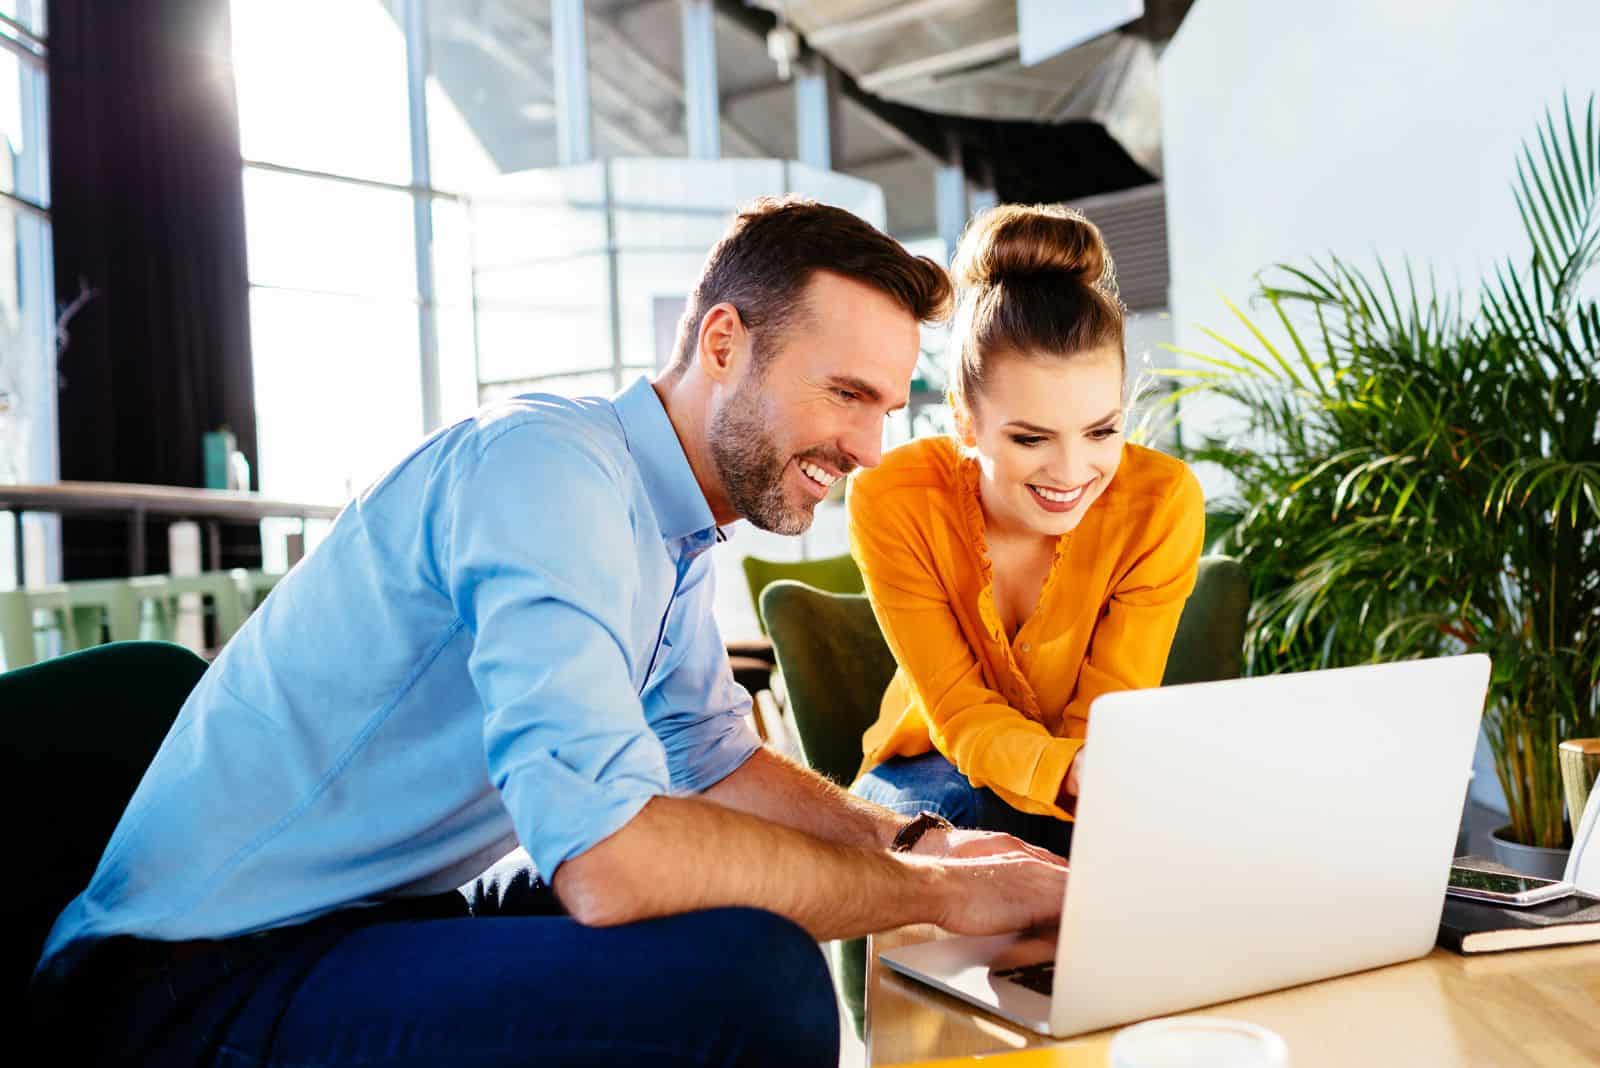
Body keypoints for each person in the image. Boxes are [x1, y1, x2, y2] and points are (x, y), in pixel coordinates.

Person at [30, 198, 1071, 1067]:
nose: (867, 447)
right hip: (188, 983)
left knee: (742, 920)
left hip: (373, 914)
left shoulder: (669, 527)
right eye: (845, 394)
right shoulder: (546, 472)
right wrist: (936, 896)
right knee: (752, 984)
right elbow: (608, 863)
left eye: (887, 406)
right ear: (723, 343)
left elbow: (708, 760)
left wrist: (920, 841)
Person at [849, 204, 1205, 857]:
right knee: (962, 825)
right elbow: (958, 712)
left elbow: (1110, 711)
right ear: (964, 421)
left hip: (1086, 769)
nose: (1072, 472)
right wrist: (1069, 773)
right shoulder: (892, 498)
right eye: (1030, 438)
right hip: (931, 767)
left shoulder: (1161, 501)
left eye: (1101, 431)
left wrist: (1082, 775)